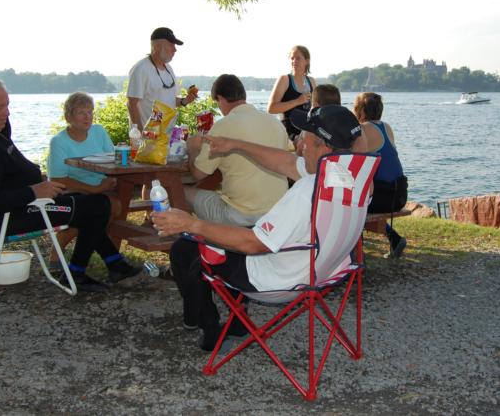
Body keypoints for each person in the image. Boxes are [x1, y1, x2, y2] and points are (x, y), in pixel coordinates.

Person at [153, 105, 363, 350]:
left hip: (275, 281)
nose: (299, 143)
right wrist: (236, 144)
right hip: (325, 270)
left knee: (186, 247)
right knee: (223, 237)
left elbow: (251, 244)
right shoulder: (353, 178)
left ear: (323, 147)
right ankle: (234, 320)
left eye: (304, 137)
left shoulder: (306, 192)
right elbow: (284, 162)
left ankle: (207, 324)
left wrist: (191, 223)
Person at [0, 78, 139, 292]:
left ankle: (115, 263)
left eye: (7, 105)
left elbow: (1, 151)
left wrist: (35, 189)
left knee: (91, 204)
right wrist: (34, 191)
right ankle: (76, 273)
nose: (7, 113)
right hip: (16, 213)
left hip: (25, 203)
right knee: (98, 206)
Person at [185, 74, 289, 227]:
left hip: (241, 216)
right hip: (277, 214)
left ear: (220, 99)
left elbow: (198, 174)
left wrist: (192, 149)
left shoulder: (223, 125)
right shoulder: (276, 124)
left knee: (179, 191)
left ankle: (181, 240)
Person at [46, 92, 120, 270]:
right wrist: (93, 189)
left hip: (101, 185)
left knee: (114, 206)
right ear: (68, 116)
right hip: (72, 190)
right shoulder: (59, 141)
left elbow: (114, 160)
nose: (87, 117)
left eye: (90, 112)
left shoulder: (99, 132)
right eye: (81, 113)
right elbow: (58, 178)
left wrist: (108, 182)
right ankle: (67, 251)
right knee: (104, 209)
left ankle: (108, 260)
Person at [353, 92, 408, 258]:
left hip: (383, 197)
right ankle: (394, 238)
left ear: (361, 112)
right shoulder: (387, 127)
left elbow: (354, 163)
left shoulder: (362, 131)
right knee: (364, 200)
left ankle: (353, 251)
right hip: (399, 195)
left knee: (351, 203)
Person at [127, 27, 199, 131]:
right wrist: (139, 134)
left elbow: (170, 100)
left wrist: (185, 101)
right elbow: (131, 104)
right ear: (156, 46)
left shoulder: (169, 69)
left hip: (167, 136)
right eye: (171, 45)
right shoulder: (141, 69)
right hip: (148, 137)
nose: (175, 49)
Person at [267, 45, 316, 141]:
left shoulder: (312, 81)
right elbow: (271, 108)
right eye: (292, 58)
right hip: (288, 132)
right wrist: (297, 101)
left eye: (298, 58)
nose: (294, 61)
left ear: (307, 61)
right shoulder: (284, 79)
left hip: (307, 131)